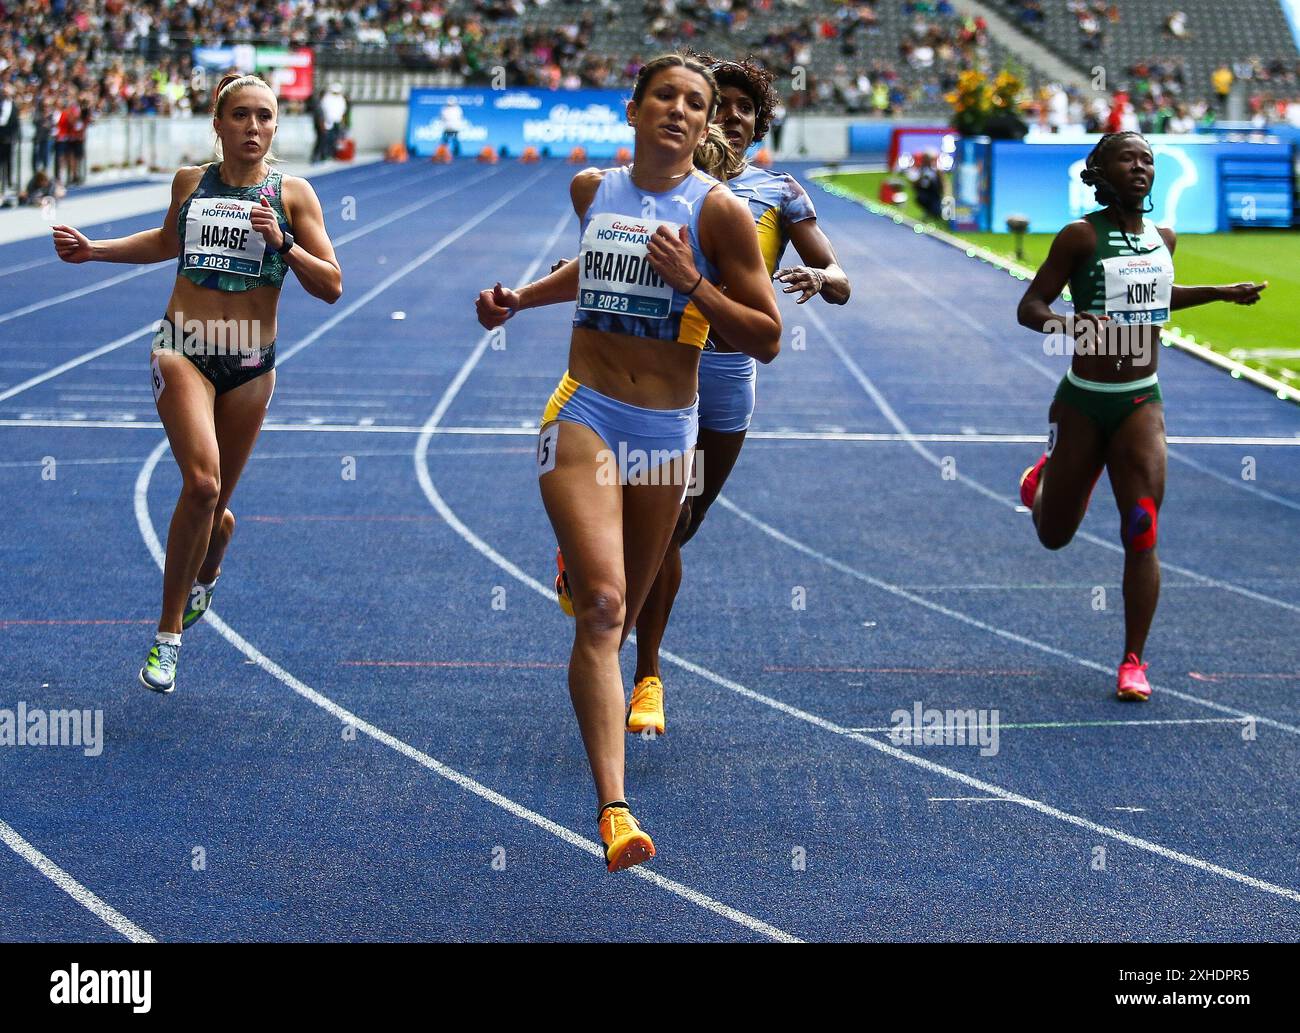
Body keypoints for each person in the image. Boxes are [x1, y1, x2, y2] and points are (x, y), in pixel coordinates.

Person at [474, 53, 780, 872]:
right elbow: (593, 267)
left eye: (696, 103)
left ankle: (589, 578)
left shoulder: (718, 214)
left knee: (623, 613)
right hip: (586, 410)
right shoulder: (592, 190)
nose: (680, 110)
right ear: (634, 109)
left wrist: (694, 284)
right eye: (665, 96)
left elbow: (767, 336)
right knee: (604, 607)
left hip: (667, 430)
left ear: (705, 123)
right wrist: (519, 298)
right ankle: (614, 810)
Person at [52, 73, 342, 695]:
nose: (254, 127)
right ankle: (167, 637)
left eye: (265, 116)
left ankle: (216, 547)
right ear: (218, 124)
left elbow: (332, 285)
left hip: (250, 364)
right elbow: (165, 242)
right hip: (182, 349)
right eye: (241, 115)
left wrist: (284, 243)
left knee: (215, 508)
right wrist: (94, 250)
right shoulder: (190, 182)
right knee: (202, 484)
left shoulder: (293, 195)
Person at [629, 55, 851, 736]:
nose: (731, 116)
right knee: (665, 520)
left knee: (683, 523)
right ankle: (647, 676)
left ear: (759, 124)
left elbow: (839, 276)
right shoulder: (663, 180)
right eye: (718, 103)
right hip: (658, 368)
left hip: (726, 378)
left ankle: (608, 574)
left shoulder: (778, 190)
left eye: (744, 109)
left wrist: (822, 278)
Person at [1015, 132, 1266, 701]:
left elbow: (1156, 296)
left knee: (1141, 527)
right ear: (1100, 171)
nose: (1140, 167)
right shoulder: (1080, 237)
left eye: (1147, 159)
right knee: (1054, 536)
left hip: (1140, 403)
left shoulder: (1163, 237)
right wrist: (1071, 326)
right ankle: (1044, 480)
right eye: (1126, 158)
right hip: (1083, 401)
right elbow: (1030, 307)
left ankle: (1133, 661)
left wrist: (1221, 292)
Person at [320, 83, 348, 159]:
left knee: (337, 139)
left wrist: (342, 121)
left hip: (337, 122)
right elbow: (323, 111)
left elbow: (343, 111)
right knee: (327, 139)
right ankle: (325, 154)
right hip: (328, 122)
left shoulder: (341, 99)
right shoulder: (327, 98)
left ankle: (334, 154)